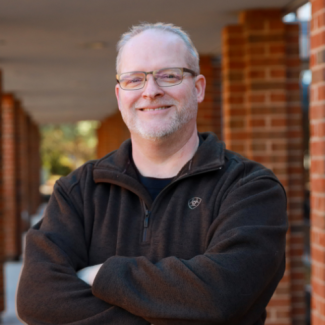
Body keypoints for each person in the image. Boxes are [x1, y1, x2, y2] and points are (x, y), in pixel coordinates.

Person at [17, 23, 287, 325]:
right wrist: (179, 311)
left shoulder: (249, 188)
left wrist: (102, 274)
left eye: (168, 76)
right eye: (135, 79)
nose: (151, 91)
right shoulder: (78, 191)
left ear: (198, 88)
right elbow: (37, 298)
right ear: (120, 96)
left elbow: (221, 296)